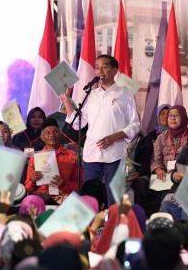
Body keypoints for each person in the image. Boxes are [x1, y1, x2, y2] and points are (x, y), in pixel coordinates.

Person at [60, 54, 141, 205]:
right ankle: (91, 227)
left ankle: (114, 226)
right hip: (92, 155)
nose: (100, 71)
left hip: (115, 154)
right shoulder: (91, 94)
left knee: (114, 198)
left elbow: (135, 125)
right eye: (97, 67)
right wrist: (66, 100)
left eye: (105, 66)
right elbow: (78, 123)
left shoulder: (125, 94)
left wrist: (114, 137)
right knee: (90, 199)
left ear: (115, 70)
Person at [25, 119, 79, 203]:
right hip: (42, 197)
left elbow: (79, 184)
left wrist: (64, 184)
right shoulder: (35, 158)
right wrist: (32, 180)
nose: (52, 135)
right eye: (48, 132)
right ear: (42, 137)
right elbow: (27, 188)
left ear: (60, 135)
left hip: (64, 196)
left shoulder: (72, 156)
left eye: (55, 132)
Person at [129, 104, 170, 216]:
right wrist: (139, 172)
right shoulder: (149, 137)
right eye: (162, 114)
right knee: (140, 184)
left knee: (160, 183)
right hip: (146, 171)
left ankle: (156, 217)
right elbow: (140, 157)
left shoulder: (175, 136)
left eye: (168, 114)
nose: (165, 116)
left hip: (165, 171)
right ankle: (141, 218)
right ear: (157, 117)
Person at [151, 105, 188, 185]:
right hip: (166, 178)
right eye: (170, 115)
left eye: (177, 115)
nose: (173, 118)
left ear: (183, 117)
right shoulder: (162, 137)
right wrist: (158, 169)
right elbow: (156, 160)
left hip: (184, 176)